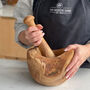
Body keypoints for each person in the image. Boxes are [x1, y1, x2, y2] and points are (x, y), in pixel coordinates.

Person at [14, 0, 90, 80]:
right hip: (42, 70)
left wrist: (87, 50)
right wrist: (26, 36)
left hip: (83, 73)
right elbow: (21, 25)